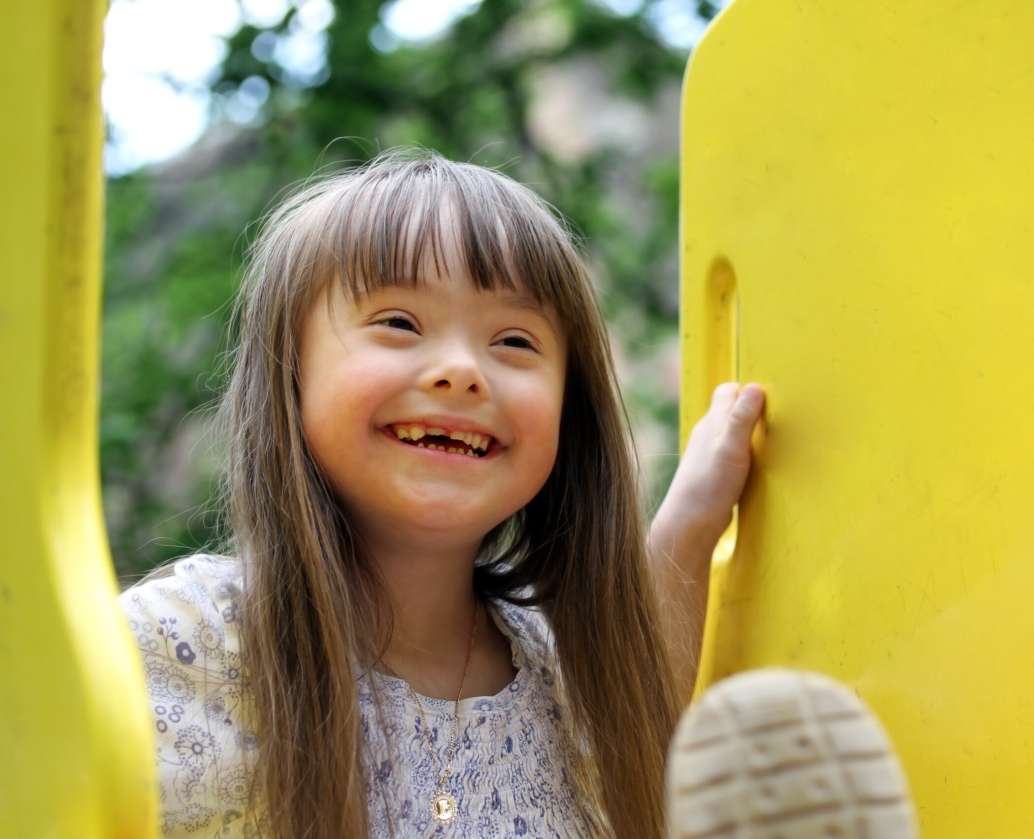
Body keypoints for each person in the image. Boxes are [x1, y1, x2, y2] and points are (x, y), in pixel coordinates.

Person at [118, 148, 768, 839]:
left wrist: (690, 528)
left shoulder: (574, 675)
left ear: (568, 412)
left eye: (513, 340)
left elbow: (641, 698)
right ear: (291, 373)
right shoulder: (180, 644)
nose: (461, 369)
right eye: (398, 322)